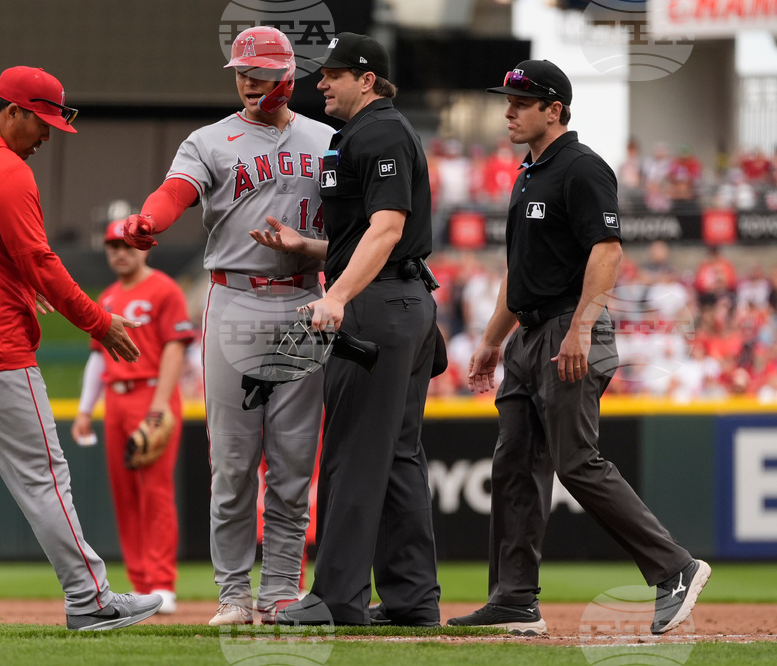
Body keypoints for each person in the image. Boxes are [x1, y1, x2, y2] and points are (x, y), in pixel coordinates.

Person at [446, 59, 710, 636]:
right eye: (507, 101)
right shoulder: (527, 173)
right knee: (513, 463)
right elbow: (519, 272)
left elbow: (607, 251)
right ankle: (515, 598)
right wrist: (493, 339)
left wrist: (582, 327)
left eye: (520, 102)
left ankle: (675, 568)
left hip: (569, 327)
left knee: (576, 462)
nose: (508, 111)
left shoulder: (582, 168)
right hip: (527, 335)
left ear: (554, 110)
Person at [0, 66, 162, 633]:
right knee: (44, 476)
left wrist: (16, 287)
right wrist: (97, 321)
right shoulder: (6, 170)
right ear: (14, 111)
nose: (47, 136)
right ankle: (90, 599)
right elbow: (40, 262)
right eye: (41, 121)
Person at [120, 27, 335, 626]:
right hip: (234, 296)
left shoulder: (326, 140)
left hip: (305, 299)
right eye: (241, 70)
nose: (246, 80)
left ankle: (282, 591)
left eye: (259, 72)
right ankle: (234, 595)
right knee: (235, 462)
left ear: (287, 78)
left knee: (293, 463)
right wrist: (149, 219)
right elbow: (175, 191)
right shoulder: (210, 139)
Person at [254, 32, 441, 627]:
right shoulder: (364, 133)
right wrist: (309, 248)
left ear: (367, 79)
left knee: (354, 455)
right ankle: (412, 599)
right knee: (398, 457)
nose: (321, 83)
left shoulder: (381, 130)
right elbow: (364, 237)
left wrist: (335, 293)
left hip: (377, 306)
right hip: (397, 301)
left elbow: (387, 229)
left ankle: (336, 600)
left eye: (334, 74)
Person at [71, 220, 195, 615]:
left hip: (152, 391)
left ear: (145, 248)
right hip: (116, 398)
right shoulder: (106, 297)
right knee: (125, 493)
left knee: (155, 492)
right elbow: (97, 356)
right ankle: (142, 584)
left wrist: (159, 406)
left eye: (126, 245)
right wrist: (85, 409)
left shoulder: (165, 289)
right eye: (112, 246)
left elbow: (176, 349)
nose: (120, 252)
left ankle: (162, 581)